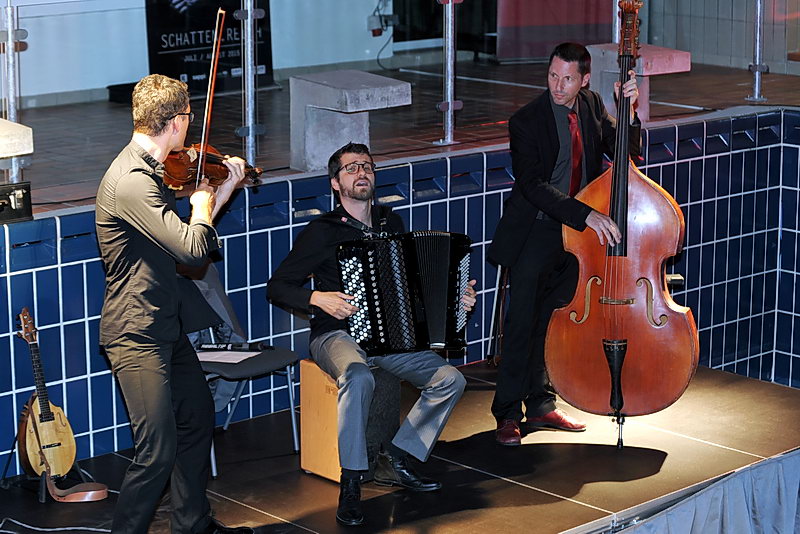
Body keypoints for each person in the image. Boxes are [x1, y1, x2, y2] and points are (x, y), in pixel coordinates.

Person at [267, 142, 476, 527]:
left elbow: (411, 285)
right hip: (335, 334)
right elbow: (277, 286)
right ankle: (351, 482)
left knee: (450, 379)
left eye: (366, 166)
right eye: (351, 168)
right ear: (335, 183)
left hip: (389, 339)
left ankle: (399, 455)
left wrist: (454, 299)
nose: (361, 172)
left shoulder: (390, 223)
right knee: (358, 375)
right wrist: (317, 298)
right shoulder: (321, 231)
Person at [95, 74, 253, 533]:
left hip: (164, 325)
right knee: (156, 452)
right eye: (189, 117)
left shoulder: (152, 171)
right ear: (179, 121)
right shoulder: (131, 182)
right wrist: (201, 201)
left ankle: (191, 523)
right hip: (134, 334)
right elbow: (193, 252)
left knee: (197, 418)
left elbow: (186, 244)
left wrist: (222, 191)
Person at [488, 43, 641, 446]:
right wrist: (585, 214)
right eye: (553, 76)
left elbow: (627, 152)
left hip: (575, 237)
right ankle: (507, 413)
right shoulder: (526, 120)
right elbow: (532, 185)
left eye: (567, 79)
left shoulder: (590, 105)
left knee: (554, 321)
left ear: (585, 80)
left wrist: (629, 112)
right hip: (536, 231)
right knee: (521, 324)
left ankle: (541, 404)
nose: (557, 86)